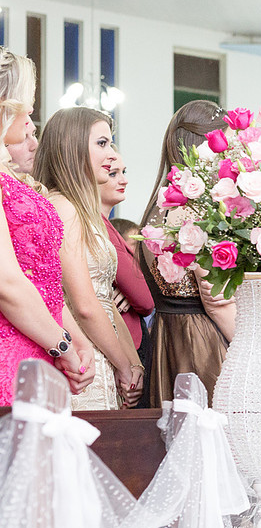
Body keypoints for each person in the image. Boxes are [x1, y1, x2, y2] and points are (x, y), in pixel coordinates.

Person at [0, 48, 93, 401]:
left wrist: (76, 339)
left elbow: (43, 280)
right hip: (12, 353)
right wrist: (63, 346)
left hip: (42, 345)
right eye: (27, 105)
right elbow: (7, 282)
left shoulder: (12, 179)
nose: (30, 119)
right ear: (5, 104)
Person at [34, 107, 142, 410]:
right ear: (73, 146)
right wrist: (123, 366)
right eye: (102, 143)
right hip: (83, 356)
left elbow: (103, 298)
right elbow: (84, 307)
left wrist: (132, 365)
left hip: (102, 352)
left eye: (110, 143)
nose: (111, 154)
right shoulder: (62, 207)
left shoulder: (82, 211)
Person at [137, 100, 236, 406]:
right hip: (202, 342)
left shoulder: (160, 207)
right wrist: (257, 352)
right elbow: (216, 302)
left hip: (169, 339)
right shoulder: (194, 209)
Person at [99, 154, 154, 366]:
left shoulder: (107, 226)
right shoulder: (102, 228)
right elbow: (146, 300)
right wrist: (132, 288)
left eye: (124, 172)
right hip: (123, 342)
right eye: (113, 174)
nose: (124, 180)